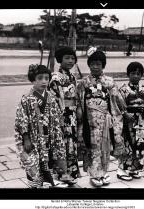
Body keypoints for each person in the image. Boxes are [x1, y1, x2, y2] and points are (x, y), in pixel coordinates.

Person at [76, 48, 126, 187]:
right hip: (90, 121)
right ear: (89, 65)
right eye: (92, 64)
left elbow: (116, 101)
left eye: (98, 64)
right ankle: (95, 174)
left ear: (103, 65)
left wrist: (120, 113)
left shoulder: (109, 82)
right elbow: (79, 101)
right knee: (92, 147)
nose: (95, 66)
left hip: (105, 121)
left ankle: (103, 172)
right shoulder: (83, 83)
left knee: (105, 148)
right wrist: (80, 113)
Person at [14, 64, 68, 188]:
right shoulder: (27, 99)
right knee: (33, 161)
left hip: (48, 135)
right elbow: (21, 118)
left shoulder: (51, 97)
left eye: (46, 78)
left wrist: (58, 131)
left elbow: (56, 116)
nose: (44, 81)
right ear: (33, 80)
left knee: (47, 159)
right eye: (39, 78)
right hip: (34, 136)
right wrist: (26, 137)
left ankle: (47, 182)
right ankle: (34, 183)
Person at [48, 46, 80, 185]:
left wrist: (77, 109)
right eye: (67, 58)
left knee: (71, 143)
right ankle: (59, 174)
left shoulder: (72, 77)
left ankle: (70, 172)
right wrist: (59, 115)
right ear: (60, 59)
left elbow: (75, 96)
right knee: (61, 143)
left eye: (73, 58)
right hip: (61, 114)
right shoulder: (55, 77)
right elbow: (54, 98)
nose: (70, 61)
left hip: (71, 114)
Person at [118, 62, 144, 180]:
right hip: (129, 121)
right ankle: (122, 169)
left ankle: (134, 168)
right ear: (128, 74)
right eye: (133, 73)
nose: (136, 76)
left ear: (141, 75)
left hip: (141, 121)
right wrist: (125, 114)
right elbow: (118, 106)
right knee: (128, 144)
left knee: (140, 144)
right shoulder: (123, 89)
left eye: (138, 74)